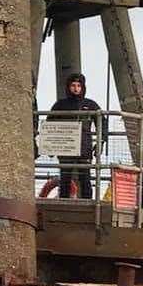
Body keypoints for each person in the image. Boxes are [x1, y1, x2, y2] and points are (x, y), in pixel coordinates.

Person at [46, 71, 105, 200]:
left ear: (83, 87)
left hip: (84, 147)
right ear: (68, 87)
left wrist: (101, 142)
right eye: (73, 85)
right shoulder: (60, 105)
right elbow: (49, 124)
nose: (76, 88)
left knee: (85, 177)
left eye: (78, 85)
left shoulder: (90, 105)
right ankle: (63, 203)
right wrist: (50, 146)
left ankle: (88, 204)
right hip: (65, 147)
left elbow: (102, 122)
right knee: (65, 177)